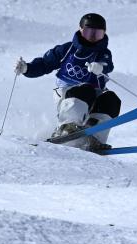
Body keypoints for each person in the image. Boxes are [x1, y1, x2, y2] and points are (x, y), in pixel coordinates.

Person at [14, 13, 121, 153]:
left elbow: (108, 64)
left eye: (98, 34)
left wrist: (101, 66)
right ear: (81, 30)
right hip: (68, 94)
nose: (93, 38)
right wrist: (27, 68)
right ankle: (66, 127)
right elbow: (45, 64)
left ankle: (95, 136)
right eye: (89, 33)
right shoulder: (67, 50)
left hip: (94, 96)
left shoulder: (103, 53)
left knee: (111, 99)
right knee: (84, 89)